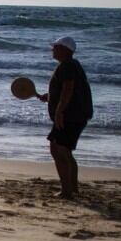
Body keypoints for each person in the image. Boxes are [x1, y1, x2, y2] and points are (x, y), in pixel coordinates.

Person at [35, 35, 93, 199]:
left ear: (64, 50)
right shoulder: (72, 65)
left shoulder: (67, 66)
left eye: (56, 47)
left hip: (70, 116)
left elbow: (68, 90)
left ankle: (67, 191)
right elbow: (68, 90)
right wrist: (50, 96)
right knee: (64, 150)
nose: (52, 49)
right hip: (76, 114)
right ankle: (72, 188)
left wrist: (59, 112)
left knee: (58, 150)